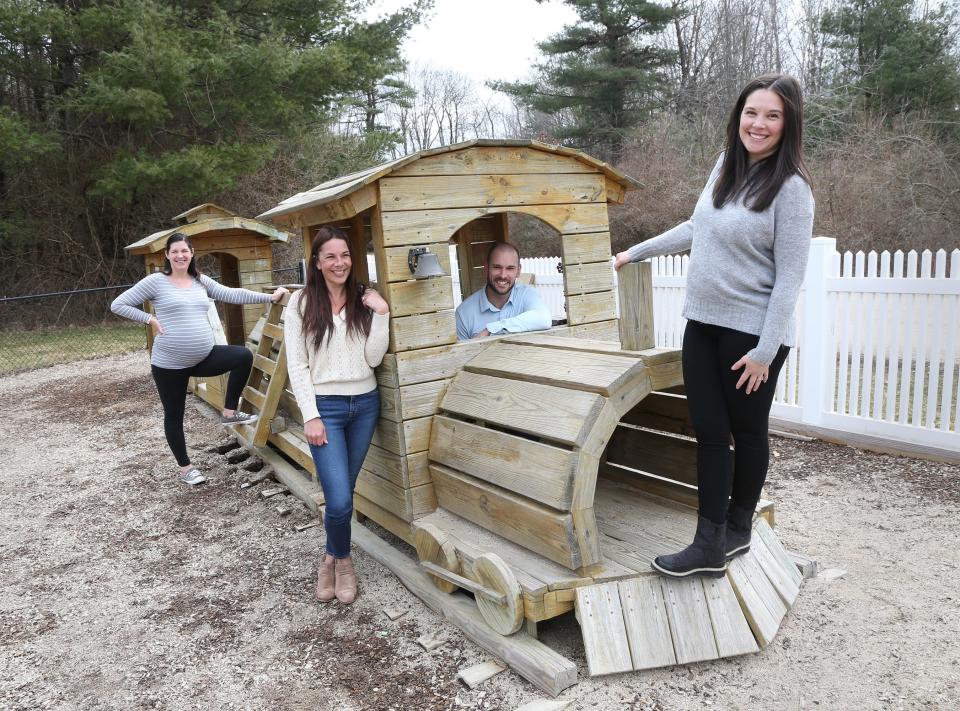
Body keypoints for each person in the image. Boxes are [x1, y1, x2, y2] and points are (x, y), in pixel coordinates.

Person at [615, 74, 815, 578]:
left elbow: (791, 278)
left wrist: (767, 351)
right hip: (700, 325)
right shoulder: (725, 167)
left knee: (746, 433)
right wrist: (633, 253)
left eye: (772, 115)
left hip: (752, 334)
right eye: (752, 112)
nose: (759, 123)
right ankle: (708, 542)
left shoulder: (792, 190)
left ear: (787, 124)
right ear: (739, 116)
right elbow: (695, 227)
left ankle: (738, 528)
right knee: (707, 432)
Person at [112, 232, 289, 485]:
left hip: (203, 357)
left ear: (192, 253)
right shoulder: (155, 282)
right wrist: (149, 319)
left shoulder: (201, 281)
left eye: (184, 251)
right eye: (174, 251)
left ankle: (229, 412)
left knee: (242, 356)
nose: (180, 255)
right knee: (174, 415)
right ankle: (186, 469)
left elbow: (231, 294)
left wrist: (268, 297)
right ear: (167, 255)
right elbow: (118, 304)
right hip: (169, 364)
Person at [284, 226, 390, 604]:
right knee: (341, 499)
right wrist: (310, 415)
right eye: (330, 256)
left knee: (342, 491)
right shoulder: (299, 305)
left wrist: (382, 315)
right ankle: (343, 562)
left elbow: (374, 359)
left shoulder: (364, 298)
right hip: (325, 410)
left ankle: (329, 558)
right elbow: (296, 365)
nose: (339, 263)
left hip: (364, 404)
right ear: (316, 262)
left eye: (344, 255)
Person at [455, 242, 551, 340]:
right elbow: (461, 355)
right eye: (497, 267)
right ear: (486, 268)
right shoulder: (463, 313)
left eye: (510, 268)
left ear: (518, 271)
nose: (503, 275)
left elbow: (544, 319)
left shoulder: (527, 294)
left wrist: (491, 330)